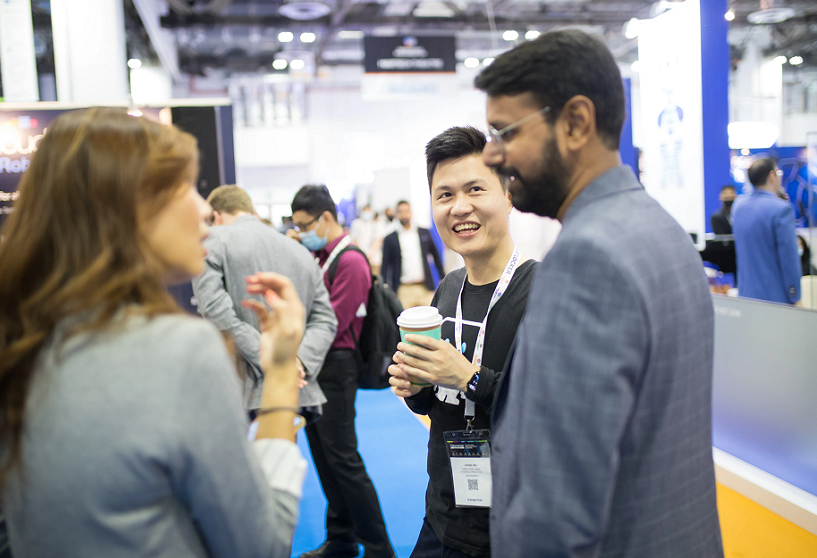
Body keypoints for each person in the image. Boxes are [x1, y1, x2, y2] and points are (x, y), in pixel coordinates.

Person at [0, 107, 309, 557]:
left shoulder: (22, 339)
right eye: (183, 186)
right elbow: (259, 545)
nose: (204, 209)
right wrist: (280, 374)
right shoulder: (179, 352)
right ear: (124, 205)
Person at [474, 30, 724, 557]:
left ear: (575, 123)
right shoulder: (660, 229)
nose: (492, 155)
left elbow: (554, 516)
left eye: (505, 132)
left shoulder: (587, 260)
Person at [390, 126, 536, 558]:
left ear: (508, 195)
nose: (460, 207)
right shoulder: (448, 289)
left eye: (475, 189)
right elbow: (433, 405)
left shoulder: (545, 291)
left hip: (515, 529)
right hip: (443, 514)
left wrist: (470, 378)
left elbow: (554, 411)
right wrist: (416, 387)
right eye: (445, 195)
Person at [288, 186, 395, 558]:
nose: (301, 233)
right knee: (324, 456)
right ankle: (342, 537)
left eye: (305, 226)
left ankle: (379, 548)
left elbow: (332, 322)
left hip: (336, 365)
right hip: (314, 364)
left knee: (344, 459)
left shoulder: (350, 260)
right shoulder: (317, 255)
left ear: (326, 219)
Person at [193, 184, 337, 416]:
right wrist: (297, 362)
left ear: (216, 216)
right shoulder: (300, 251)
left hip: (242, 391)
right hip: (297, 390)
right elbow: (326, 319)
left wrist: (276, 362)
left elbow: (214, 311)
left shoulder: (212, 240)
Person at [732, 158, 801, 305]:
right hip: (775, 299)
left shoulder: (738, 207)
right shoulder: (781, 209)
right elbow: (789, 259)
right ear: (771, 176)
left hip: (746, 295)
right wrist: (795, 295)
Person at [381, 200, 446, 308]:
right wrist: (384, 288)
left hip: (424, 287)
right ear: (397, 214)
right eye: (400, 212)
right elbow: (385, 265)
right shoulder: (390, 238)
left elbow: (435, 255)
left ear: (411, 212)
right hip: (404, 289)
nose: (404, 214)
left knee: (431, 316)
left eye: (406, 211)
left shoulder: (423, 233)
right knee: (405, 317)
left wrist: (442, 277)